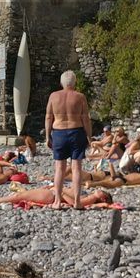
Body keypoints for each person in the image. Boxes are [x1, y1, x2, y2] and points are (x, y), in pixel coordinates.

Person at [45, 69, 93, 210]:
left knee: (59, 168)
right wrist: (89, 136)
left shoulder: (54, 96)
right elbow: (86, 119)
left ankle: (58, 201)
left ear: (61, 82)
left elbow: (48, 117)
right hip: (76, 131)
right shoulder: (80, 97)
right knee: (76, 168)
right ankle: (77, 202)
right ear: (75, 82)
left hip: (59, 133)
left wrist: (48, 136)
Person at [0, 185, 117, 209]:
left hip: (53, 195)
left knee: (17, 196)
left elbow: (74, 203)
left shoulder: (91, 199)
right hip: (53, 192)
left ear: (103, 198)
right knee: (17, 196)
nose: (100, 190)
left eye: (103, 192)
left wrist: (60, 191)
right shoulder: (90, 196)